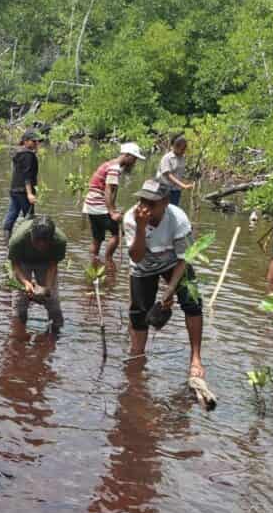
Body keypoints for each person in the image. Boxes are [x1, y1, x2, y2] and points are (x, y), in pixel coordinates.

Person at [122, 179, 204, 379]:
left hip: (173, 262)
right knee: (139, 314)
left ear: (166, 202)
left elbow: (184, 259)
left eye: (152, 203)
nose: (145, 208)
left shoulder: (178, 219)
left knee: (192, 302)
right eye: (142, 201)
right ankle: (137, 356)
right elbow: (136, 257)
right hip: (144, 265)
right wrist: (141, 228)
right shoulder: (132, 218)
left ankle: (196, 358)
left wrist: (169, 292)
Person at [84, 142, 146, 262]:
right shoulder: (114, 168)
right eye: (134, 159)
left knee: (97, 238)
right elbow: (108, 191)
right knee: (117, 233)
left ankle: (94, 262)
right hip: (98, 205)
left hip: (90, 205)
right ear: (127, 156)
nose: (134, 163)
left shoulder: (109, 164)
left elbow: (109, 192)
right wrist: (112, 212)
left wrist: (113, 208)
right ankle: (108, 261)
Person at [8, 216, 67, 330]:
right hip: (23, 260)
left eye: (45, 243)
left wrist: (48, 288)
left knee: (53, 300)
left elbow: (52, 265)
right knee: (20, 301)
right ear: (31, 235)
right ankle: (19, 332)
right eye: (37, 242)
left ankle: (55, 333)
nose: (40, 246)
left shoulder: (59, 241)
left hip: (46, 261)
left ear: (51, 239)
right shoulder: (17, 240)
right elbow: (15, 265)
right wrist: (26, 283)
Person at [3, 129, 41, 241]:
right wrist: (30, 194)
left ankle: (6, 241)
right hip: (24, 192)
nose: (36, 143)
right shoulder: (28, 155)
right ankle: (29, 242)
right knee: (29, 218)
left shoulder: (19, 153)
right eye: (33, 141)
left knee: (12, 214)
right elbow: (27, 176)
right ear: (25, 141)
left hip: (14, 190)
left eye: (37, 141)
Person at [157, 135, 194, 206]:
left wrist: (185, 182)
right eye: (182, 148)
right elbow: (168, 175)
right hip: (165, 189)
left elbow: (179, 173)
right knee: (163, 209)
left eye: (184, 148)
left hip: (176, 190)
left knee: (173, 209)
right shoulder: (167, 158)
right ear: (175, 146)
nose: (184, 150)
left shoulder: (182, 158)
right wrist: (183, 185)